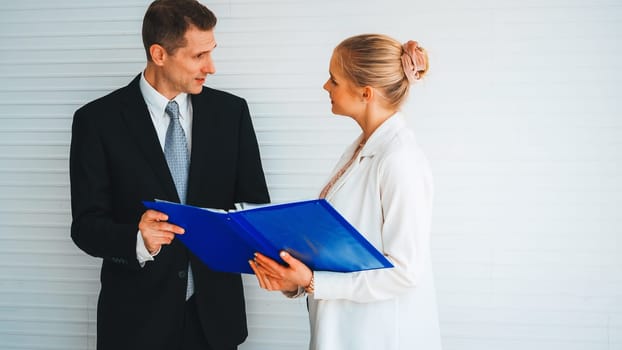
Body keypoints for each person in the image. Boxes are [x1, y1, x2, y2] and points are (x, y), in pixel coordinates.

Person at [69, 1, 270, 349]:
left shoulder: (232, 113)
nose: (212, 67)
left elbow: (254, 206)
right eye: (198, 56)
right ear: (159, 54)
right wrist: (138, 238)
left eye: (211, 52)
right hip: (134, 323)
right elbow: (85, 226)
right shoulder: (97, 121)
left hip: (216, 322)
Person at [249, 34, 442, 349]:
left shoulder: (400, 159)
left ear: (365, 93)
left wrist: (312, 282)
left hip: (378, 336)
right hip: (343, 330)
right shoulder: (362, 149)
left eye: (334, 80)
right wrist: (296, 280)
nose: (326, 87)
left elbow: (404, 272)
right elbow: (343, 247)